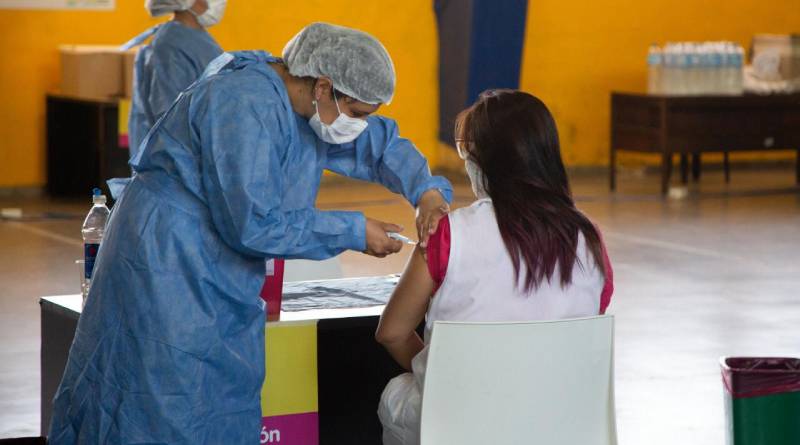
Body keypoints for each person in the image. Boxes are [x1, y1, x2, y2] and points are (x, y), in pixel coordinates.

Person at [48, 23, 452, 444]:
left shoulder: (309, 112)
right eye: (356, 113)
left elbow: (377, 145)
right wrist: (352, 230)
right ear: (324, 86)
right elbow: (253, 223)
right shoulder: (244, 102)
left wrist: (425, 192)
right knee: (156, 398)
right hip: (165, 262)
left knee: (219, 404)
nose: (357, 125)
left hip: (218, 270)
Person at [375, 90, 614, 445]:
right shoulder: (588, 236)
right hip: (562, 420)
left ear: (484, 161)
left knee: (396, 394)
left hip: (463, 425)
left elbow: (392, 332)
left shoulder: (450, 235)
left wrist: (446, 375)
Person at [124, 0, 225, 162]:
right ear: (191, 3)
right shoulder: (170, 46)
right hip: (178, 166)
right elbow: (171, 117)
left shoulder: (196, 39)